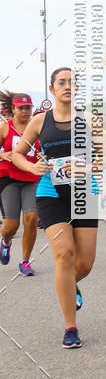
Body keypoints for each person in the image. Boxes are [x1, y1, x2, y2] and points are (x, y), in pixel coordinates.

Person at [12, 68, 101, 348]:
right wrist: (31, 167)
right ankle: (70, 327)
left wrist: (86, 168)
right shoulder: (39, 121)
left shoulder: (90, 119)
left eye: (72, 82)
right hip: (50, 192)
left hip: (85, 193)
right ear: (52, 89)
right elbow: (18, 153)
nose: (67, 86)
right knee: (64, 254)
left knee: (84, 264)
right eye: (61, 82)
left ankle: (70, 284)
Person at [0, 93, 40, 274]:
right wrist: (3, 154)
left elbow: (44, 149)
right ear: (13, 109)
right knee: (11, 227)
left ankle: (25, 261)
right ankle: (6, 241)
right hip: (9, 178)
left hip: (32, 177)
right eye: (21, 108)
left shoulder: (37, 126)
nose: (24, 111)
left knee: (31, 219)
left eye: (27, 108)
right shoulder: (5, 127)